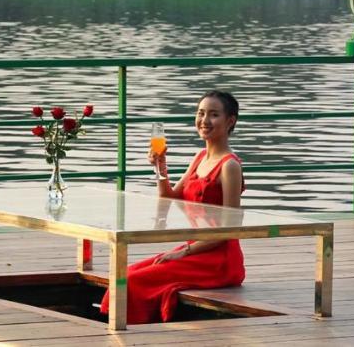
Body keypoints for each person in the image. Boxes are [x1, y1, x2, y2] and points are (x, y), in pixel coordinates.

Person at [99, 89, 245, 324]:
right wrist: (160, 168)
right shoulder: (200, 157)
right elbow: (170, 198)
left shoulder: (230, 166)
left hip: (219, 259)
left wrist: (181, 252)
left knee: (135, 281)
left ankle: (126, 330)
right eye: (200, 113)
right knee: (127, 273)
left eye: (214, 115)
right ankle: (121, 324)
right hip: (196, 249)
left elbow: (230, 229)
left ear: (230, 121)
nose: (204, 121)